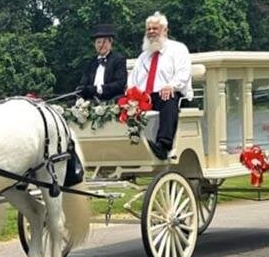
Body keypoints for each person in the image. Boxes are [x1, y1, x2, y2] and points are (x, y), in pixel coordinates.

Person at [128, 12, 194, 159]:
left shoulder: (178, 49)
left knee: (167, 98)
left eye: (155, 28)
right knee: (125, 106)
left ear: (165, 30)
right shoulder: (143, 56)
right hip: (146, 98)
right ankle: (131, 146)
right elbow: (132, 79)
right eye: (148, 29)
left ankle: (164, 145)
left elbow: (183, 74)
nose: (151, 32)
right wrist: (132, 95)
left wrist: (171, 85)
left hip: (169, 95)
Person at [76, 24, 127, 101]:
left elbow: (120, 84)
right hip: (92, 100)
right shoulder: (90, 63)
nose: (101, 45)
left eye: (104, 42)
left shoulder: (118, 60)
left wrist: (98, 89)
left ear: (110, 43)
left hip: (111, 99)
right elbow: (83, 83)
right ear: (94, 44)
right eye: (98, 42)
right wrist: (82, 89)